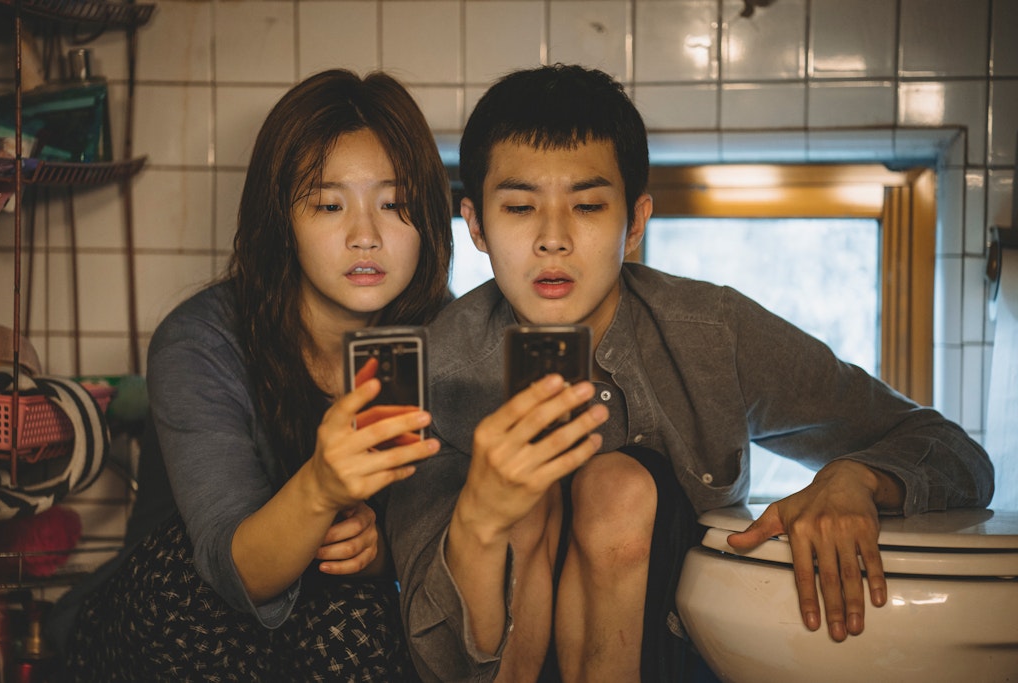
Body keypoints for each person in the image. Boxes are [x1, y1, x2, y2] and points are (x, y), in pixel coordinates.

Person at [383, 63, 995, 682]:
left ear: (636, 223)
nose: (553, 239)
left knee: (615, 486)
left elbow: (953, 452)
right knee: (519, 495)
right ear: (477, 226)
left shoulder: (710, 333)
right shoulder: (430, 369)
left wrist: (856, 478)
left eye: (589, 205)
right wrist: (481, 519)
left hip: (673, 656)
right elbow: (436, 653)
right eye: (520, 207)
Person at [49, 68, 453, 680]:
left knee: (358, 608)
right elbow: (228, 568)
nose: (366, 236)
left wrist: (384, 554)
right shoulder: (202, 340)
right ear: (282, 221)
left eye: (394, 204)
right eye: (328, 204)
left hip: (324, 632)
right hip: (161, 625)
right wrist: (320, 487)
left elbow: (468, 533)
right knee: (180, 561)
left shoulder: (451, 340)